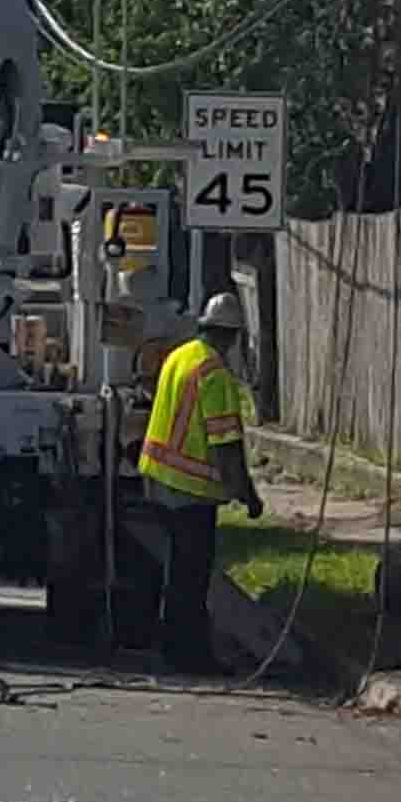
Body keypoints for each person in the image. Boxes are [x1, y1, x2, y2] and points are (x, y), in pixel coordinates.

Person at [137, 279, 259, 674]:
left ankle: (168, 645)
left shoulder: (180, 355)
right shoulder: (216, 375)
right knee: (191, 578)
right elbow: (225, 445)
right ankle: (189, 654)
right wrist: (247, 494)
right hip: (190, 490)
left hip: (157, 478)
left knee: (173, 573)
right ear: (231, 336)